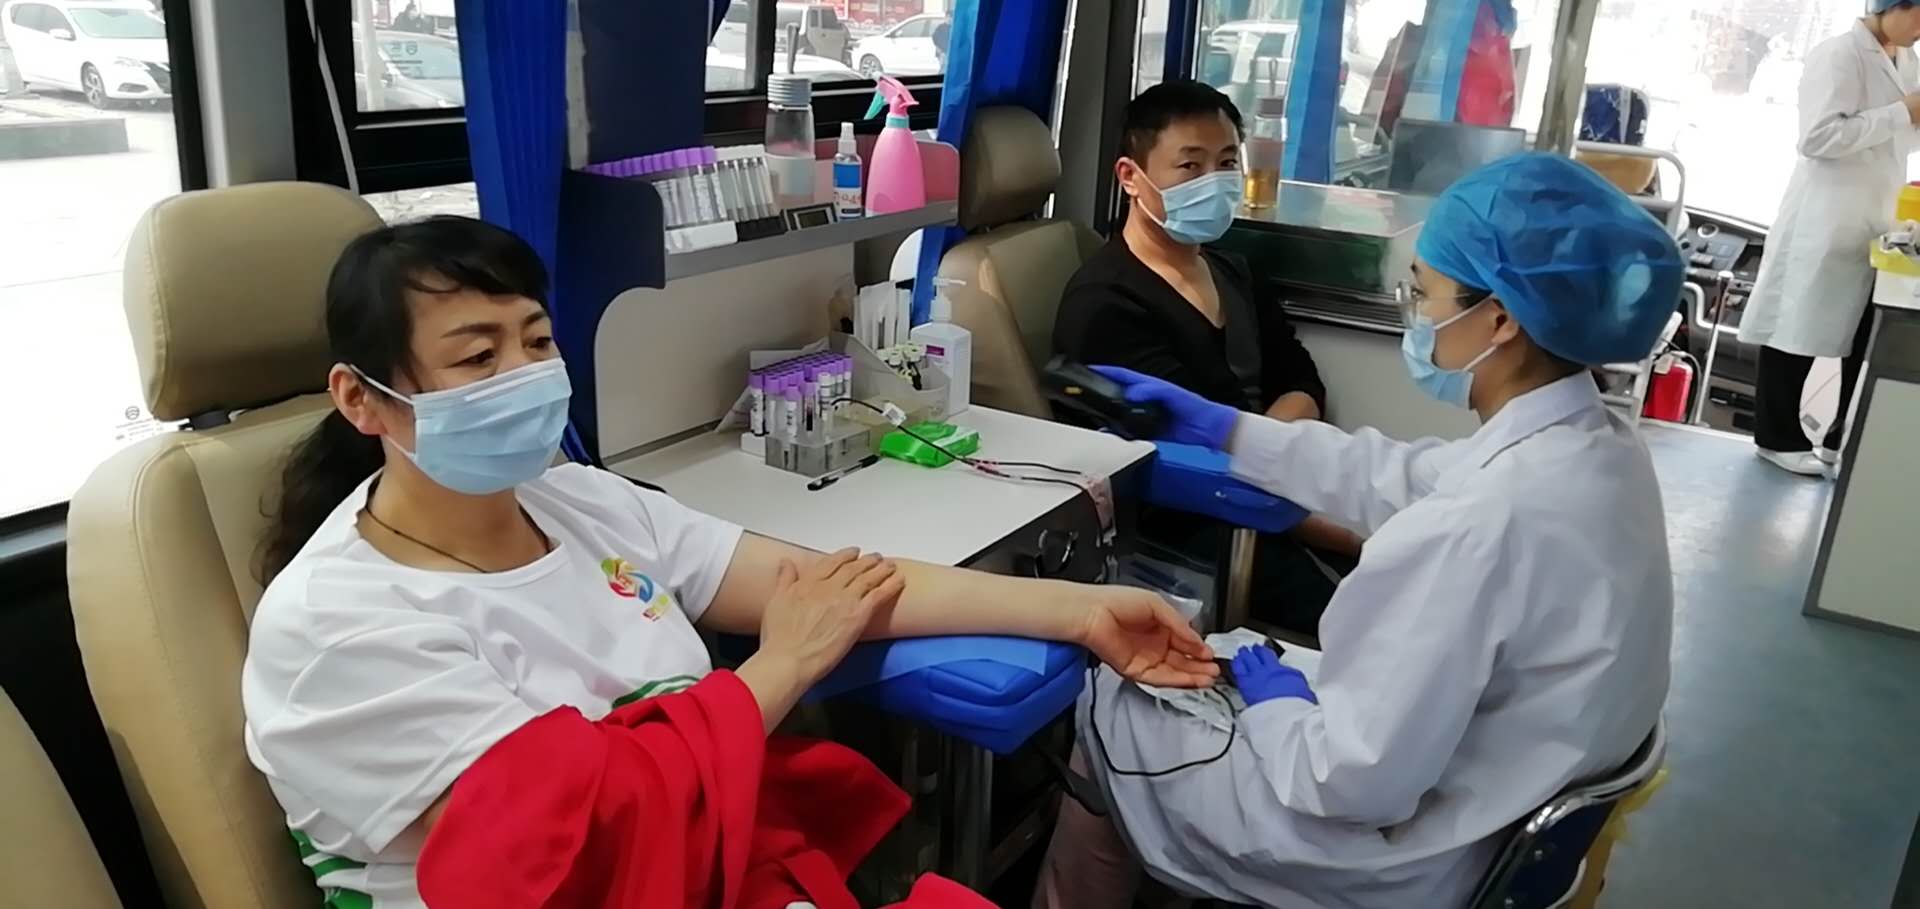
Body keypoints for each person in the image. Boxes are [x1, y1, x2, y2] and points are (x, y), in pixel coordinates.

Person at [240, 216, 1216, 909]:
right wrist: (779, 667)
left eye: (536, 341)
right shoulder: (337, 626)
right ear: (361, 400)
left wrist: (1080, 610)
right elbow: (565, 848)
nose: (524, 376)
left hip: (715, 867)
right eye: (475, 358)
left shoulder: (579, 502)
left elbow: (830, 586)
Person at [1032, 153, 1682, 909]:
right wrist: (1227, 429)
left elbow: (1344, 780)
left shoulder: (1479, 527)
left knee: (1114, 700)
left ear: (1501, 319)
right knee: (1224, 660)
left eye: (1424, 293)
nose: (1415, 313)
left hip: (1403, 854)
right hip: (1504, 787)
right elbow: (1399, 475)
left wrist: (1277, 706)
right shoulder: (1597, 446)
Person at [1053, 80, 1360, 636]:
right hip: (1199, 522)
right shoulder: (1105, 303)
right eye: (1190, 166)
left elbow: (1300, 379)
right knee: (1375, 620)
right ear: (1130, 177)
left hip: (1280, 491)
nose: (1213, 181)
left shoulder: (1231, 271)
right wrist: (1356, 531)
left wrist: (1273, 453)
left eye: (1225, 163)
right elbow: (1192, 450)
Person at [1739, 0, 1920, 477]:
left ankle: (1843, 436)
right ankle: (1777, 438)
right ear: (1894, 5)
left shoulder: (1907, 60)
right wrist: (1900, 113)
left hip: (1874, 216)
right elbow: (1817, 138)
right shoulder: (1838, 54)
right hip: (1825, 214)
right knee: (1795, 326)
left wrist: (1910, 120)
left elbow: (1901, 138)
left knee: (1863, 335)